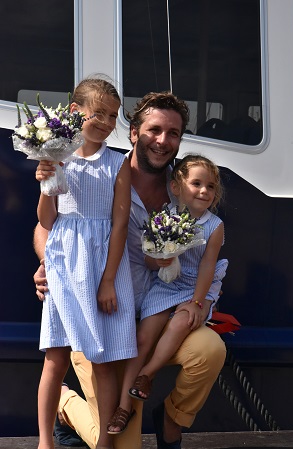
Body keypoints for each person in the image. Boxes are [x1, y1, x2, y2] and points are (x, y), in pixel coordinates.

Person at [34, 91, 227, 449]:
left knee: (210, 350)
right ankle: (68, 408)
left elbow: (207, 259)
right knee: (122, 445)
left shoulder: (188, 187)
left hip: (159, 322)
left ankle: (170, 421)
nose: (163, 141)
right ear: (134, 133)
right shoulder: (103, 171)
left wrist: (199, 303)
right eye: (154, 130)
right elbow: (49, 226)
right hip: (103, 320)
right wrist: (49, 265)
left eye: (173, 134)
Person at [34, 76, 137, 449]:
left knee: (104, 359)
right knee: (55, 357)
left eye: (114, 117)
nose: (109, 124)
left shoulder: (117, 163)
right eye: (101, 114)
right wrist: (46, 181)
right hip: (64, 264)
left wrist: (109, 280)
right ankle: (46, 441)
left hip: (101, 265)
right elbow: (47, 220)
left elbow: (120, 223)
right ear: (75, 112)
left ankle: (106, 443)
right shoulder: (58, 156)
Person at [107, 154, 225, 434]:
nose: (204, 191)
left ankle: (147, 375)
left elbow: (208, 266)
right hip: (165, 285)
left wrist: (197, 303)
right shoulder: (164, 218)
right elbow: (149, 257)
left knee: (180, 323)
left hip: (195, 287)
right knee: (142, 338)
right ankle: (124, 405)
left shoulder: (214, 226)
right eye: (196, 183)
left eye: (210, 187)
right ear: (176, 187)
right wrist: (158, 260)